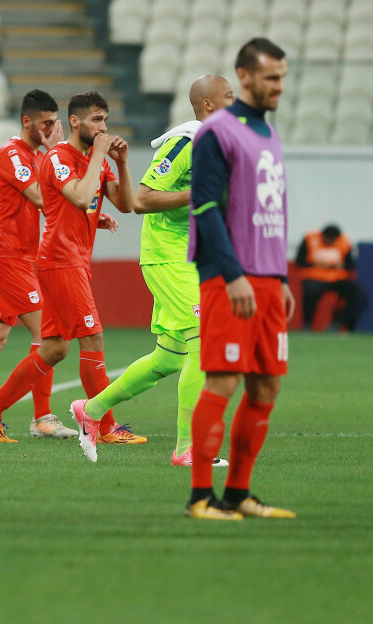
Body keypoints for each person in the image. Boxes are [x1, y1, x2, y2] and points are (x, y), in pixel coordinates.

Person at [70, 75, 235, 466]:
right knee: (207, 343)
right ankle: (188, 449)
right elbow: (142, 199)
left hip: (192, 258)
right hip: (167, 255)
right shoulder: (186, 143)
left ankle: (91, 410)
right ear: (208, 105)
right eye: (230, 96)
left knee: (169, 357)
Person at [0, 91, 142, 446]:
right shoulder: (59, 157)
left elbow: (127, 204)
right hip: (60, 260)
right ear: (75, 121)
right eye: (96, 119)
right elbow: (80, 197)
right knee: (92, 338)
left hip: (73, 260)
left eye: (106, 120)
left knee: (54, 348)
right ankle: (105, 427)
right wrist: (99, 155)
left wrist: (122, 163)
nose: (104, 127)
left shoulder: (96, 160)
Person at [172, 38, 297, 520]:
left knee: (266, 388)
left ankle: (238, 492)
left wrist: (279, 276)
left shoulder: (268, 133)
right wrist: (231, 273)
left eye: (282, 77)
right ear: (244, 76)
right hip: (230, 280)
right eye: (270, 77)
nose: (278, 86)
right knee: (222, 381)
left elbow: (272, 210)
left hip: (266, 280)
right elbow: (204, 206)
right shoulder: (216, 132)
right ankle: (200, 496)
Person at [0, 89, 79, 441]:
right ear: (27, 121)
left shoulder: (37, 157)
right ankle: (41, 418)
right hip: (5, 255)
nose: (52, 129)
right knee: (50, 335)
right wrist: (57, 153)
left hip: (18, 256)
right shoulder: (12, 154)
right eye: (47, 123)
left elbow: (55, 202)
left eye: (55, 123)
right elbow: (43, 198)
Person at [295, 224, 367, 332]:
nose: (330, 242)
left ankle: (338, 323)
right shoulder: (310, 238)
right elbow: (299, 261)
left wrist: (341, 265)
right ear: (323, 235)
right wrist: (315, 264)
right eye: (328, 239)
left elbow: (351, 264)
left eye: (333, 240)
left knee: (359, 293)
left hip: (337, 278)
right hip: (314, 277)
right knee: (310, 290)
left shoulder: (344, 241)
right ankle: (307, 325)